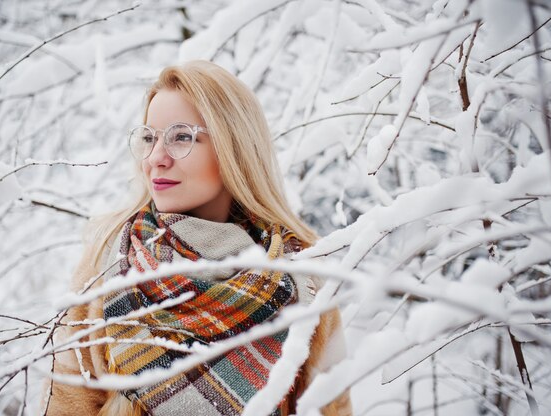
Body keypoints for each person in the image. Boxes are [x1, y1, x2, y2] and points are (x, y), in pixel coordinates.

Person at [43, 60, 351, 416]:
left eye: (181, 137)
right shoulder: (111, 263)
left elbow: (334, 408)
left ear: (233, 149)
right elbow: (65, 406)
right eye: (149, 138)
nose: (156, 158)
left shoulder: (303, 278)